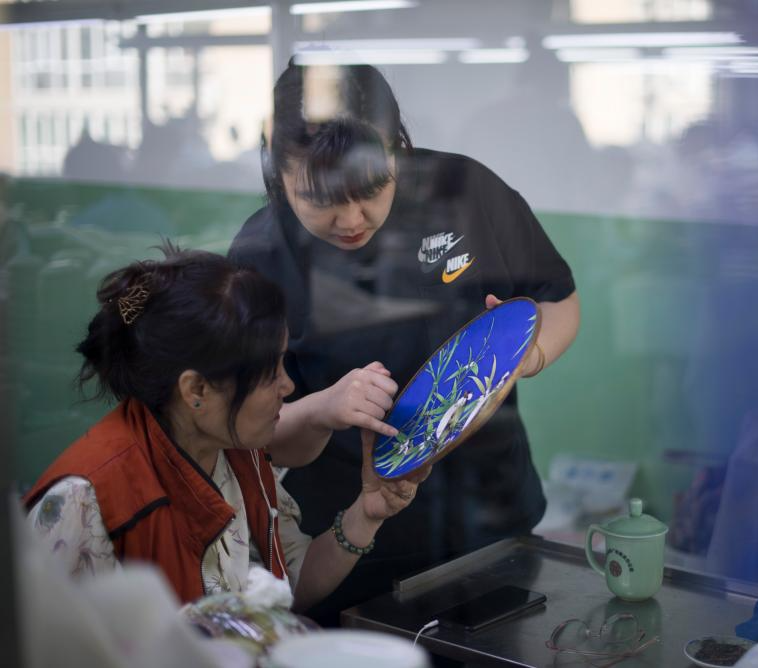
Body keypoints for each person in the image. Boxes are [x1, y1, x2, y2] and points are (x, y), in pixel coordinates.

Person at [228, 62, 580, 622]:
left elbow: (556, 298)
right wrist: (321, 410)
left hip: (489, 509)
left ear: (397, 147)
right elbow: (255, 435)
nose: (351, 218)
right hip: (349, 533)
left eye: (370, 189)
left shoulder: (465, 191)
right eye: (320, 198)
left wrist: (525, 355)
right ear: (276, 170)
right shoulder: (260, 259)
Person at [24, 246, 428, 612]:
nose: (288, 386)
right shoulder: (85, 502)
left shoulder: (236, 449)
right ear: (196, 390)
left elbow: (287, 585)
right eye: (269, 373)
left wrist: (366, 515)